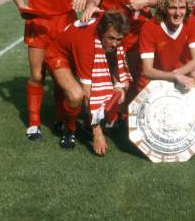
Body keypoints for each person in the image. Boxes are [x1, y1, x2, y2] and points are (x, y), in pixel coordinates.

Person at [9, 0, 92, 141]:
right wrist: (21, 5)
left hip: (65, 22)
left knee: (60, 76)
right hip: (39, 23)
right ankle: (34, 123)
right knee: (37, 74)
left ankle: (59, 119)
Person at [45, 10, 131, 154]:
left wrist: (118, 85)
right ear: (101, 31)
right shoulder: (87, 45)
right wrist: (97, 134)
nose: (115, 44)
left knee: (124, 85)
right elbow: (87, 93)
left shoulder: (111, 23)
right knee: (76, 96)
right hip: (58, 55)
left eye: (118, 39)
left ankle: (93, 120)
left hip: (76, 51)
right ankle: (69, 128)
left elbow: (115, 58)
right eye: (111, 38)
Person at [137, 0, 195, 96]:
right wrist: (173, 77)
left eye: (182, 8)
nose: (178, 13)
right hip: (155, 79)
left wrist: (176, 75)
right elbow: (147, 70)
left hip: (179, 74)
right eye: (172, 8)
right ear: (164, 8)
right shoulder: (149, 27)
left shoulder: (191, 21)